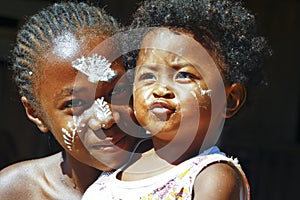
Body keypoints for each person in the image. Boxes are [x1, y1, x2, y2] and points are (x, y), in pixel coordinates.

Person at [82, 0, 271, 199]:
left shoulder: (211, 177)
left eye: (183, 75)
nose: (161, 89)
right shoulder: (117, 165)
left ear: (229, 100)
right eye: (148, 77)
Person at [0, 2, 144, 199]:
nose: (105, 120)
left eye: (115, 92)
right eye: (75, 104)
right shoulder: (16, 191)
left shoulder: (181, 174)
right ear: (36, 113)